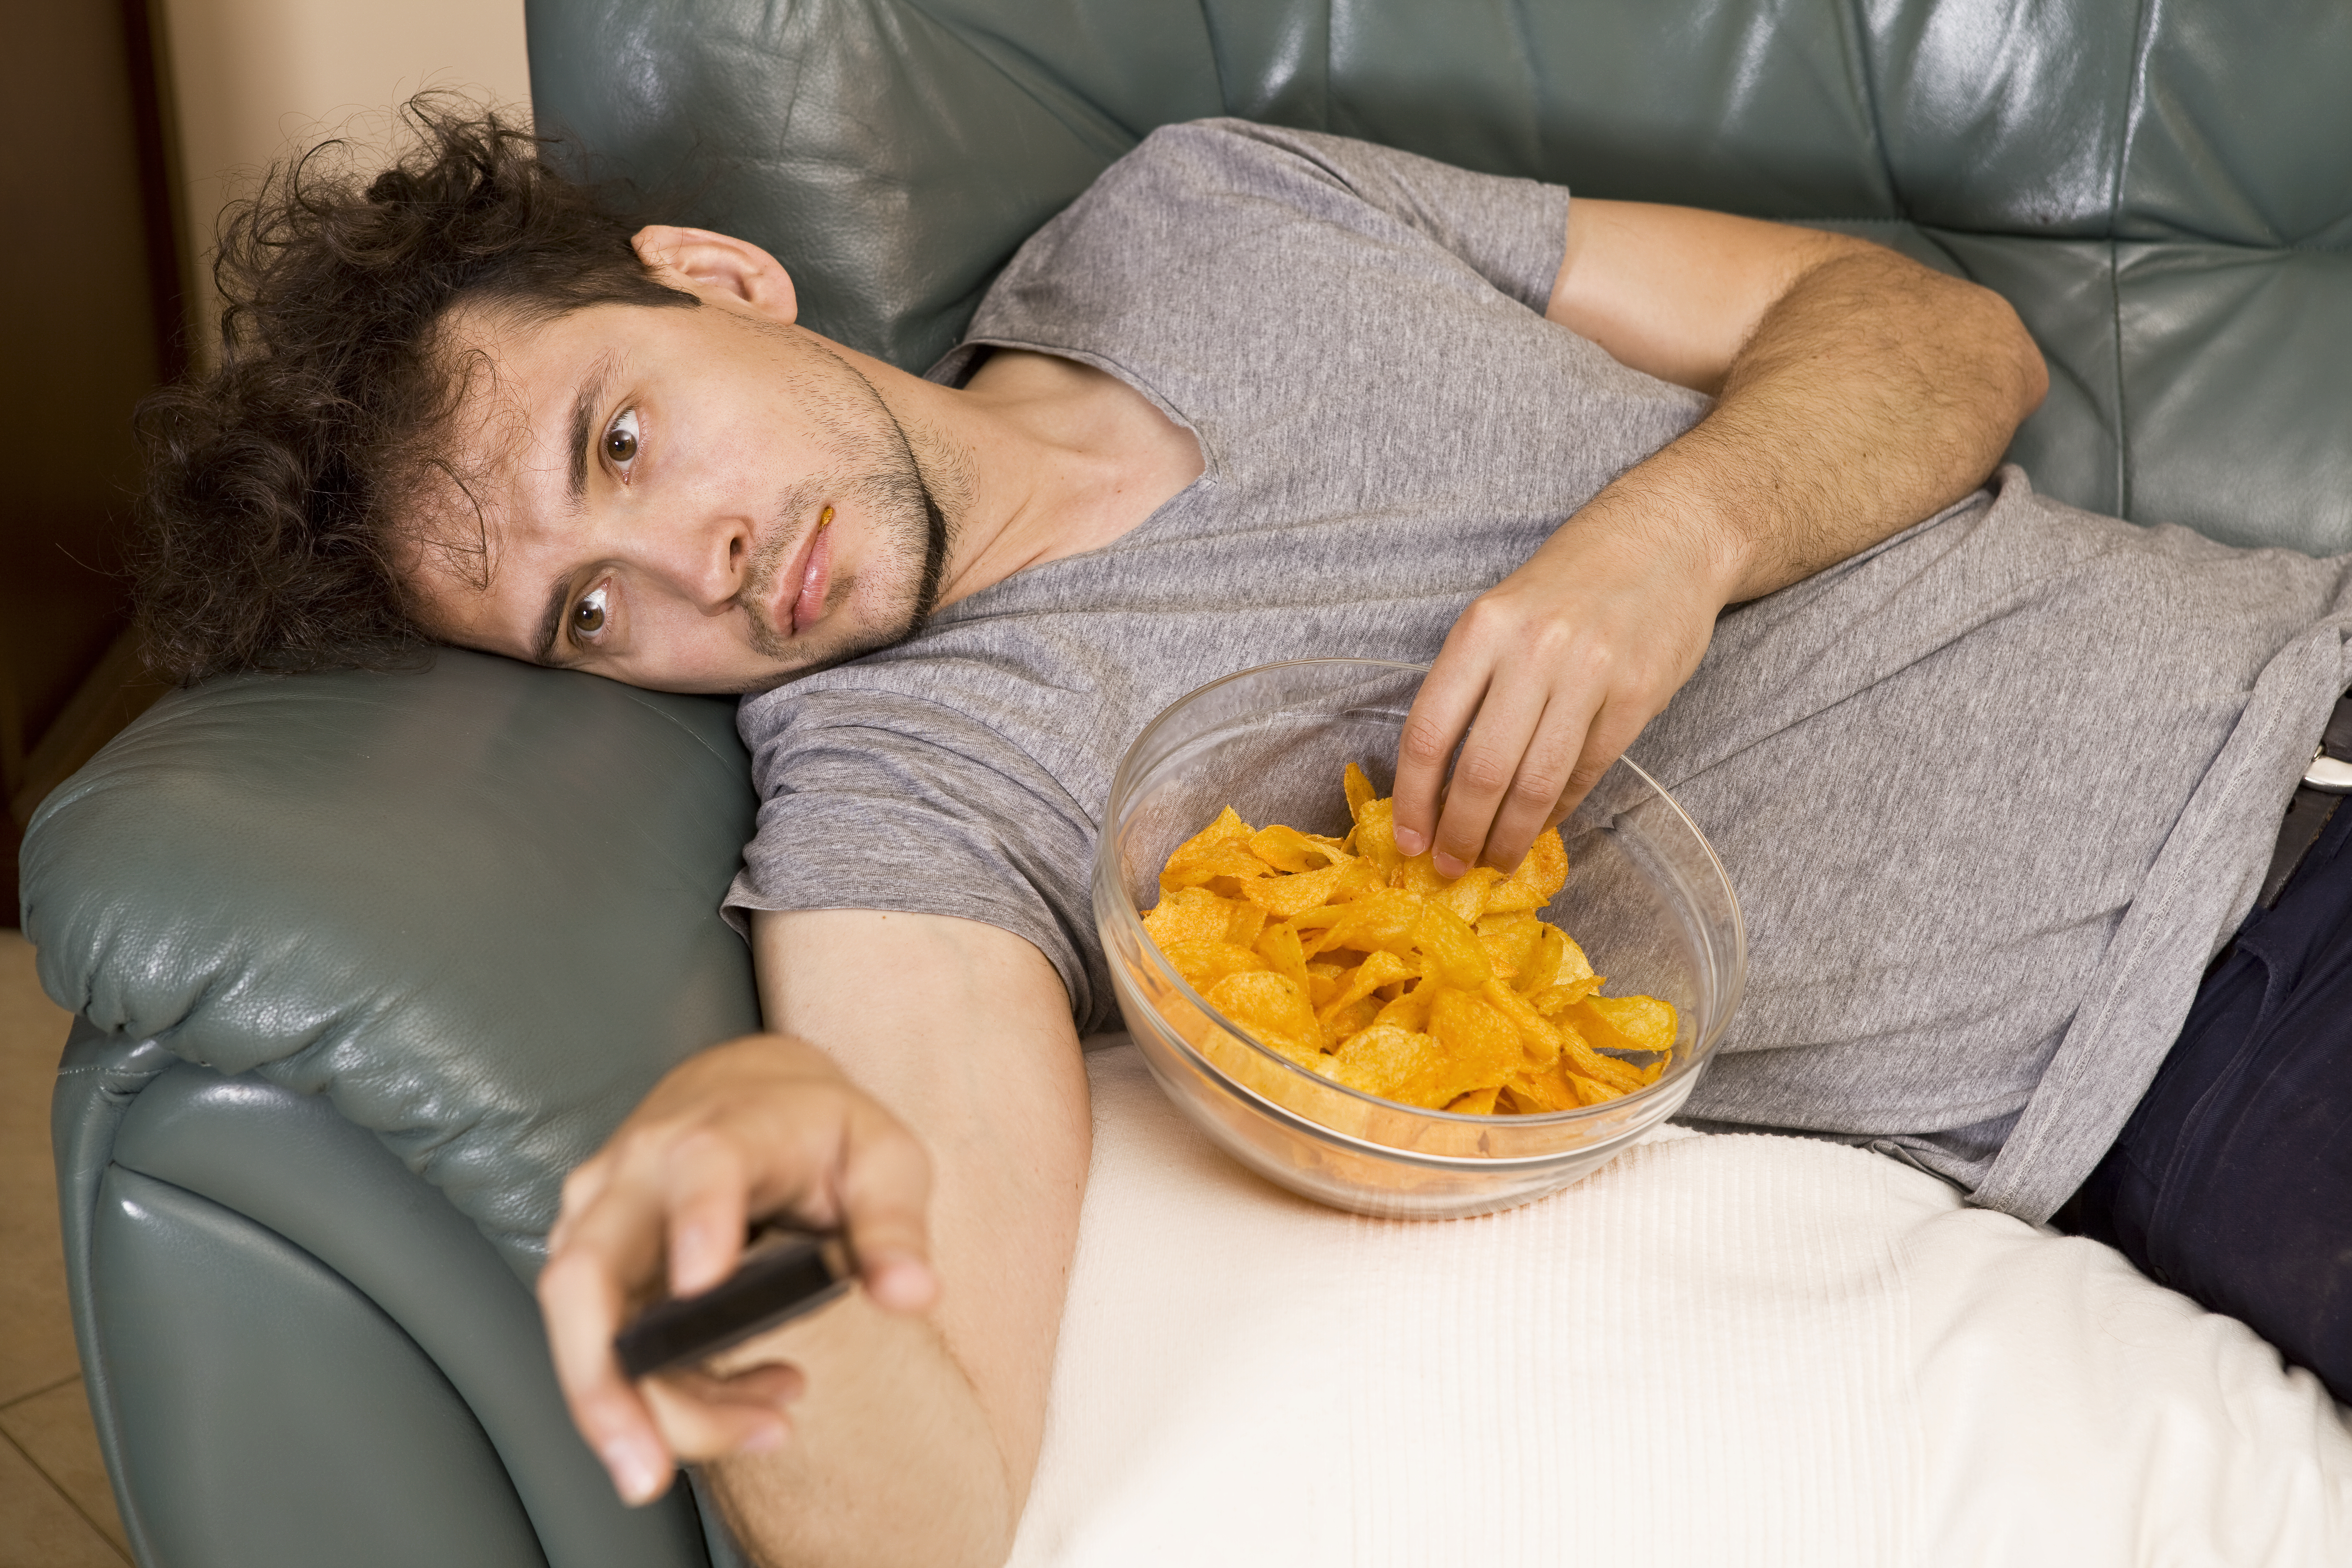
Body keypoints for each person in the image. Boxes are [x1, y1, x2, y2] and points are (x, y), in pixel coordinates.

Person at [134, 102, 2348, 1567]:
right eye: (586, 615)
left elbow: (1932, 336)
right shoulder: (906, 795)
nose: (700, 563)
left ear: (717, 278)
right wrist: (744, 1263)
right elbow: (936, 1494)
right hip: (2230, 1031)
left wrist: (1678, 535)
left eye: (627, 437)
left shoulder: (1208, 206)